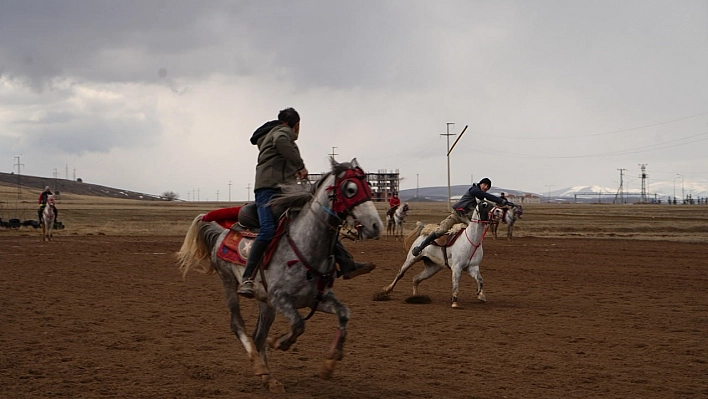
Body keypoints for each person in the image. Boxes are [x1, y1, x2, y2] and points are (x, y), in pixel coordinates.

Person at [237, 108, 375, 298]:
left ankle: (346, 263)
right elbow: (281, 142)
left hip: (284, 189)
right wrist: (300, 166)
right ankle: (247, 278)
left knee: (316, 220)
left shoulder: (272, 134)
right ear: (297, 125)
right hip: (268, 190)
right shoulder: (282, 132)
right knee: (268, 230)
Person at [412, 178, 511, 256]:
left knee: (474, 232)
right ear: (480, 184)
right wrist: (502, 201)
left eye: (488, 187)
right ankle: (420, 247)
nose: (486, 187)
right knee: (442, 230)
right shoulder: (474, 190)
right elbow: (488, 196)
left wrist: (502, 205)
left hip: (467, 218)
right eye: (485, 185)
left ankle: (467, 253)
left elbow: (487, 203)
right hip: (456, 215)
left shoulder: (480, 198)